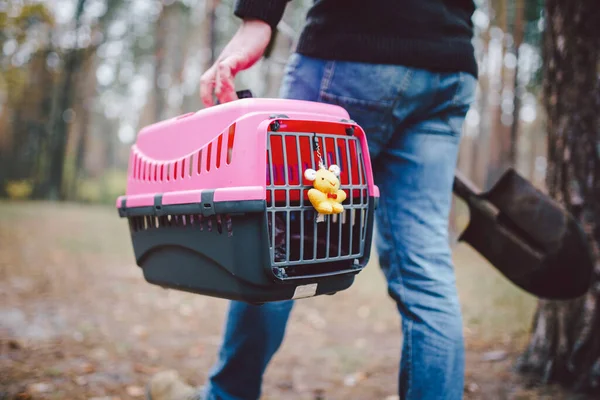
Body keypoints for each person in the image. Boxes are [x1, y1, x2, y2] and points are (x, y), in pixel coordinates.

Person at [146, 0, 478, 399]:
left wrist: (259, 17)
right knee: (426, 267)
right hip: (449, 66)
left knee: (276, 241)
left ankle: (226, 395)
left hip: (354, 49)